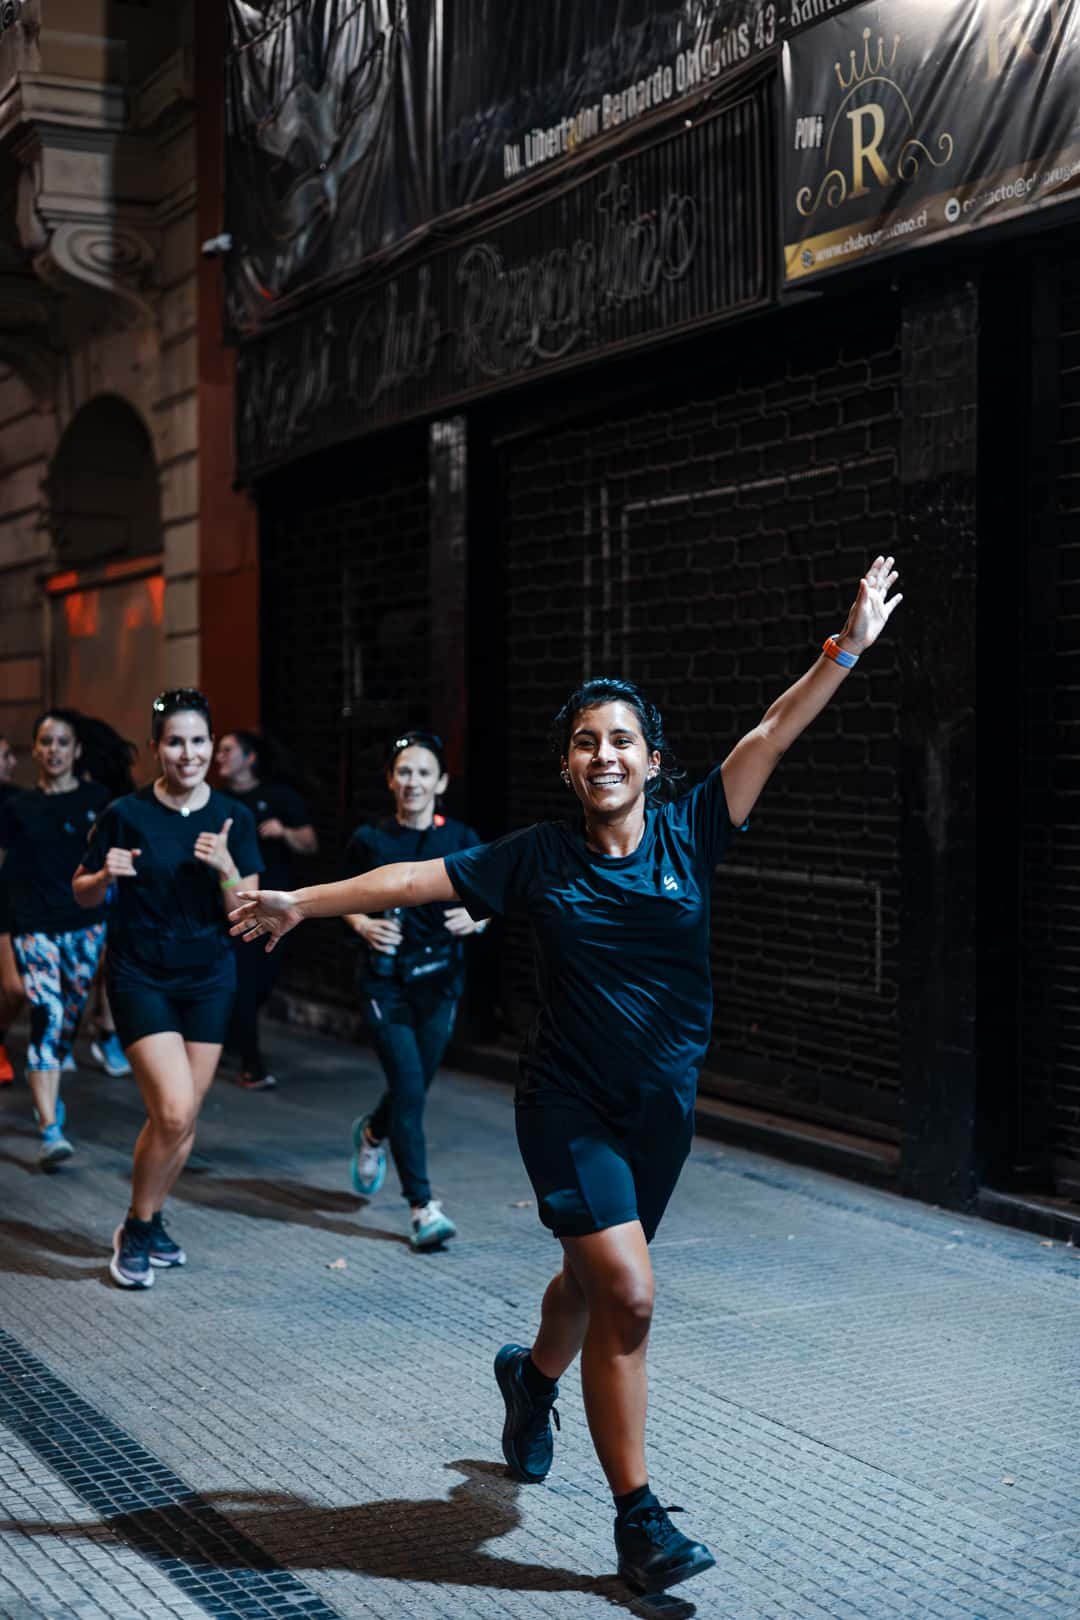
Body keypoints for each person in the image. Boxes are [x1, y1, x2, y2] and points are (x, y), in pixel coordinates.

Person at [229, 558, 902, 1596]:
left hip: (661, 1110)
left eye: (621, 739)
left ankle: (529, 1377)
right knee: (627, 1291)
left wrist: (845, 647)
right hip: (567, 1106)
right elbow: (409, 878)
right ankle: (639, 1524)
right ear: (568, 767)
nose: (604, 754)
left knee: (590, 1287)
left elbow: (772, 731)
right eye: (586, 741)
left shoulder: (692, 829)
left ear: (653, 760)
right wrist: (299, 901)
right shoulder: (538, 857)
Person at [72, 688, 262, 1290]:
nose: (188, 753)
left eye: (199, 741)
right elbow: (80, 890)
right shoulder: (125, 813)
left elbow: (247, 913)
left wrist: (226, 866)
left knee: (181, 1119)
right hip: (140, 974)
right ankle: (136, 1225)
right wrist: (103, 877)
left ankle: (150, 1222)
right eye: (175, 742)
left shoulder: (233, 818)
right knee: (174, 1109)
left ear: (212, 744)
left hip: (209, 979)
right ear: (156, 747)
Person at [341, 730, 485, 1250]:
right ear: (390, 780)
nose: (413, 782)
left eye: (424, 772)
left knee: (413, 1086)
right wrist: (362, 924)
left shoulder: (461, 838)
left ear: (441, 782)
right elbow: (342, 897)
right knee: (407, 1086)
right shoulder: (370, 840)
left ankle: (372, 1133)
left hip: (441, 981)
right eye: (404, 771)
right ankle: (423, 1208)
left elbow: (494, 893)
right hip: (385, 983)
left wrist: (480, 917)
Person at [0, 713, 110, 1162]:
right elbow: (5, 876)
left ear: (77, 750)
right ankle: (49, 1128)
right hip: (34, 926)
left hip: (86, 925)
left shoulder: (98, 801)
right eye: (46, 741)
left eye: (63, 742)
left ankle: (49, 1093)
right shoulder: (17, 806)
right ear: (35, 749)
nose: (54, 750)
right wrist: (4, 937)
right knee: (46, 1012)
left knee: (67, 1020)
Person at [215, 729, 318, 1089]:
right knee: (244, 982)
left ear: (250, 757)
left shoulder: (279, 797)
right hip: (234, 904)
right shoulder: (216, 801)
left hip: (278, 907)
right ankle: (251, 1063)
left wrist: (283, 832)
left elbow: (310, 842)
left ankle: (232, 1037)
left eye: (228, 750)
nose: (219, 756)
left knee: (262, 983)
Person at [0, 734, 23, 1085]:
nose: (13, 761)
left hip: (9, 906)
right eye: (5, 755)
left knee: (15, 988)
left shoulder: (18, 799)